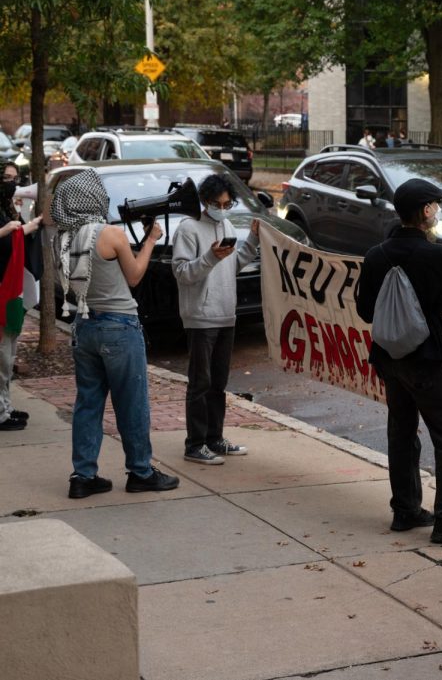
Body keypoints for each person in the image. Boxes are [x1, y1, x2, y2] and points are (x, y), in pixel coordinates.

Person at [355, 178, 442, 544]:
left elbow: (365, 310)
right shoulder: (436, 254)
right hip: (426, 360)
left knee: (401, 430)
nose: (438, 212)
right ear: (426, 211)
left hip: (389, 359)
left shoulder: (377, 254)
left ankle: (406, 509)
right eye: (436, 206)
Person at [52, 171, 179, 498]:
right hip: (119, 327)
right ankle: (140, 471)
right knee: (131, 403)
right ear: (93, 198)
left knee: (88, 403)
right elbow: (135, 276)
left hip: (84, 325)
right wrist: (150, 240)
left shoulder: (62, 238)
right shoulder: (109, 234)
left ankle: (83, 476)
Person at [172, 175, 259, 465]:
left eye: (227, 203)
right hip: (201, 315)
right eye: (216, 203)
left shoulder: (227, 224)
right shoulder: (188, 229)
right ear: (204, 201)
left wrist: (253, 241)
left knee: (218, 382)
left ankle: (214, 438)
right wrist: (209, 257)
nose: (222, 208)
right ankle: (195, 444)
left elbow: (233, 264)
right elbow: (183, 273)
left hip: (225, 313)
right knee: (200, 381)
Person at [0, 172, 40, 432]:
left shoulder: (6, 211)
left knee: (7, 353)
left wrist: (26, 224)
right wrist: (7, 231)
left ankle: (5, 406)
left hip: (7, 293)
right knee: (2, 354)